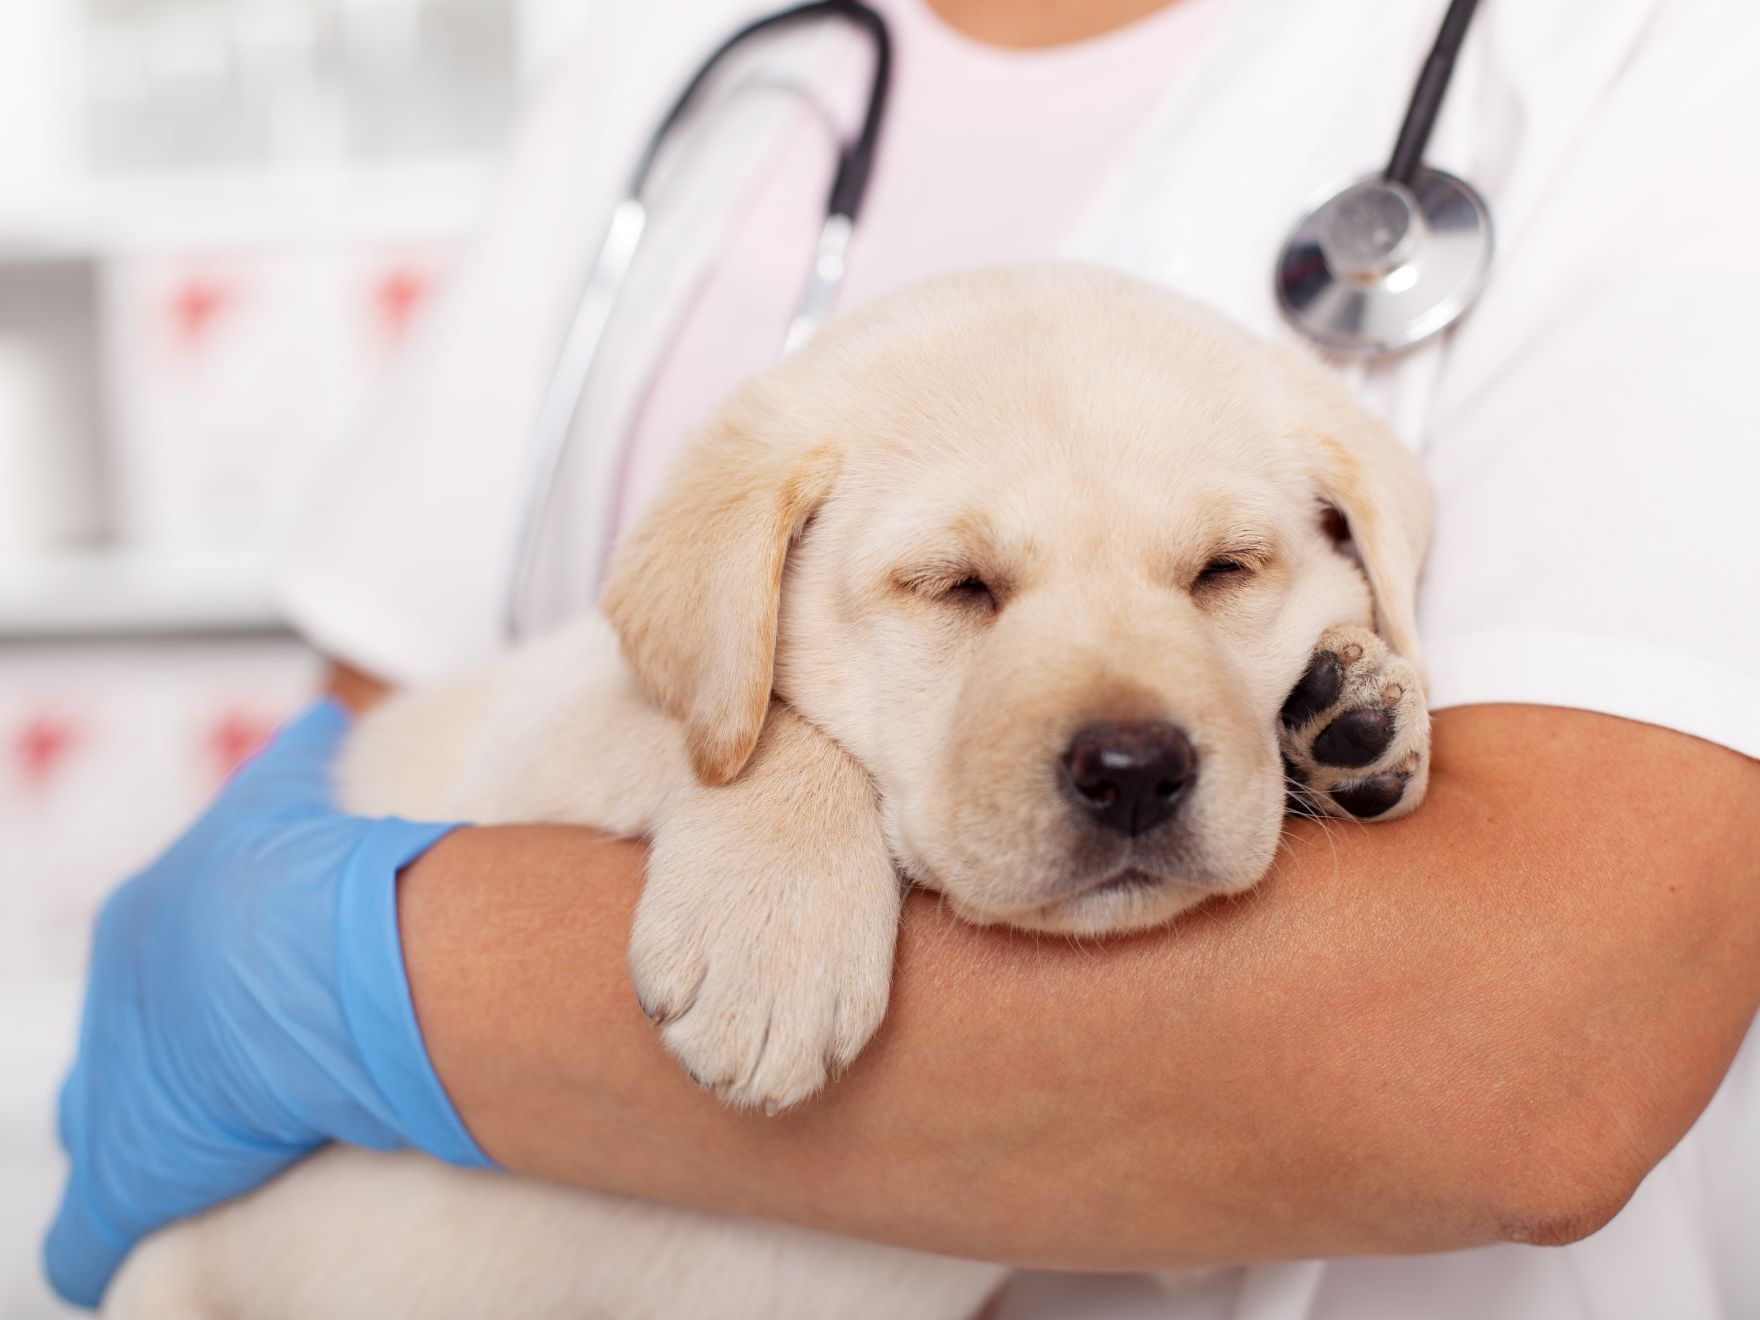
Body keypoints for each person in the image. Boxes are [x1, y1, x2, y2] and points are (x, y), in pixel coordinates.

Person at [46, 0, 1760, 1315]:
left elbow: (1522, 1059)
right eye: (951, 585)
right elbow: (427, 727)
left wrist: (372, 981)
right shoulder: (676, 52)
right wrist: (745, 778)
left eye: (1226, 567)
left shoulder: (1650, 62)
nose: (1124, 730)